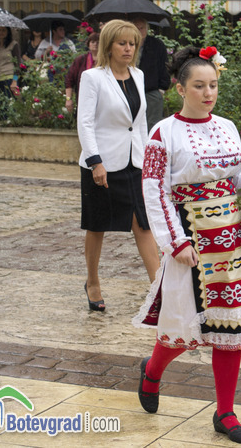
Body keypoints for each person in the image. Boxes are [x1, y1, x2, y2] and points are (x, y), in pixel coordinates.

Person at [132, 46, 241, 444]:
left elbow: (236, 180)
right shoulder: (162, 133)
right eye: (199, 86)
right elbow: (155, 190)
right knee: (185, 325)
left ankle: (225, 411)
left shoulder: (228, 127)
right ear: (180, 89)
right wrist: (176, 241)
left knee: (231, 323)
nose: (208, 93)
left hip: (229, 237)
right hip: (191, 236)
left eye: (213, 85)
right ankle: (153, 371)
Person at [77, 20, 159, 311]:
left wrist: (149, 160)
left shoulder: (138, 74)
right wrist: (95, 161)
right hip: (102, 163)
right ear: (108, 46)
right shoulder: (93, 77)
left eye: (132, 43)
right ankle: (92, 282)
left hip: (135, 161)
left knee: (143, 225)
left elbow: (140, 123)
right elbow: (85, 122)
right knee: (97, 225)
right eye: (122, 43)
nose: (128, 48)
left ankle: (159, 290)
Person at [131, 17, 170, 131]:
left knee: (152, 126)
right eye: (136, 28)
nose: (139, 31)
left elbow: (165, 66)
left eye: (142, 28)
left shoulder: (156, 44)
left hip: (151, 91)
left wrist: (162, 89)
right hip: (131, 90)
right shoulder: (128, 45)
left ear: (147, 29)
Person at [0, 26, 21, 119]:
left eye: (3, 30)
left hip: (9, 77)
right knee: (0, 107)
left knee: (10, 106)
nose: (1, 32)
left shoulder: (13, 45)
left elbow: (17, 64)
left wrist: (14, 81)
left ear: (8, 32)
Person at [65, 31, 99, 113]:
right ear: (88, 44)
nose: (95, 44)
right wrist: (68, 99)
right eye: (93, 42)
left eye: (98, 42)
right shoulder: (81, 60)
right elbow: (69, 80)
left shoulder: (107, 61)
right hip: (83, 101)